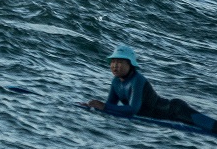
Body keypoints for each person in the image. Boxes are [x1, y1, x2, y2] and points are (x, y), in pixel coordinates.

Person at [85, 45, 215, 131]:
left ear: (130, 64)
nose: (115, 66)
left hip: (174, 111)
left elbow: (133, 109)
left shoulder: (138, 80)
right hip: (166, 115)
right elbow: (110, 105)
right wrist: (94, 106)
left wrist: (103, 106)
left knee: (212, 126)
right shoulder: (115, 82)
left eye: (119, 62)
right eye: (113, 62)